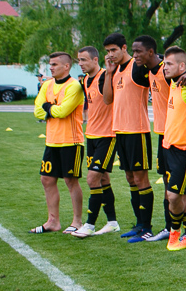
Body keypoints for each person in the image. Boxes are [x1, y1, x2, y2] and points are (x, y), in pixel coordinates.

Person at [101, 33, 154, 238]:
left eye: (114, 50)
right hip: (120, 131)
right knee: (130, 178)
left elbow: (157, 67)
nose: (111, 54)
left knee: (141, 179)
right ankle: (138, 224)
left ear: (124, 48)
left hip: (137, 130)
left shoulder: (137, 67)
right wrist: (108, 73)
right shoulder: (114, 70)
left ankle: (146, 227)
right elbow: (107, 100)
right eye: (108, 51)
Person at [31, 51, 85, 234]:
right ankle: (53, 221)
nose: (51, 68)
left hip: (71, 141)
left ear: (66, 66)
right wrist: (51, 109)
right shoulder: (47, 85)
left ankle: (77, 221)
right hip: (52, 141)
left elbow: (63, 112)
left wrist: (47, 107)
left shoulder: (74, 86)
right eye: (50, 65)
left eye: (54, 64)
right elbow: (37, 111)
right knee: (46, 179)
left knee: (71, 181)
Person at [73, 46, 120, 238]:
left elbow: (110, 100)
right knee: (103, 179)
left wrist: (109, 73)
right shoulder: (85, 80)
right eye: (79, 60)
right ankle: (112, 222)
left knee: (92, 179)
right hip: (91, 135)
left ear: (95, 60)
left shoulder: (105, 77)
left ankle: (89, 225)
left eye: (84, 60)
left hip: (107, 136)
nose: (80, 64)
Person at [158, 46, 186, 250]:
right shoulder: (174, 83)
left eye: (169, 64)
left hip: (185, 149)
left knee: (173, 195)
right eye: (164, 64)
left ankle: (174, 232)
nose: (165, 67)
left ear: (182, 66)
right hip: (169, 147)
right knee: (182, 194)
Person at [138, 35, 174, 243]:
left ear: (150, 52)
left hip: (176, 134)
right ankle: (171, 227)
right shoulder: (150, 71)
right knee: (168, 181)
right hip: (162, 133)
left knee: (181, 182)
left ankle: (183, 229)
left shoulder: (165, 71)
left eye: (138, 51)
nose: (135, 56)